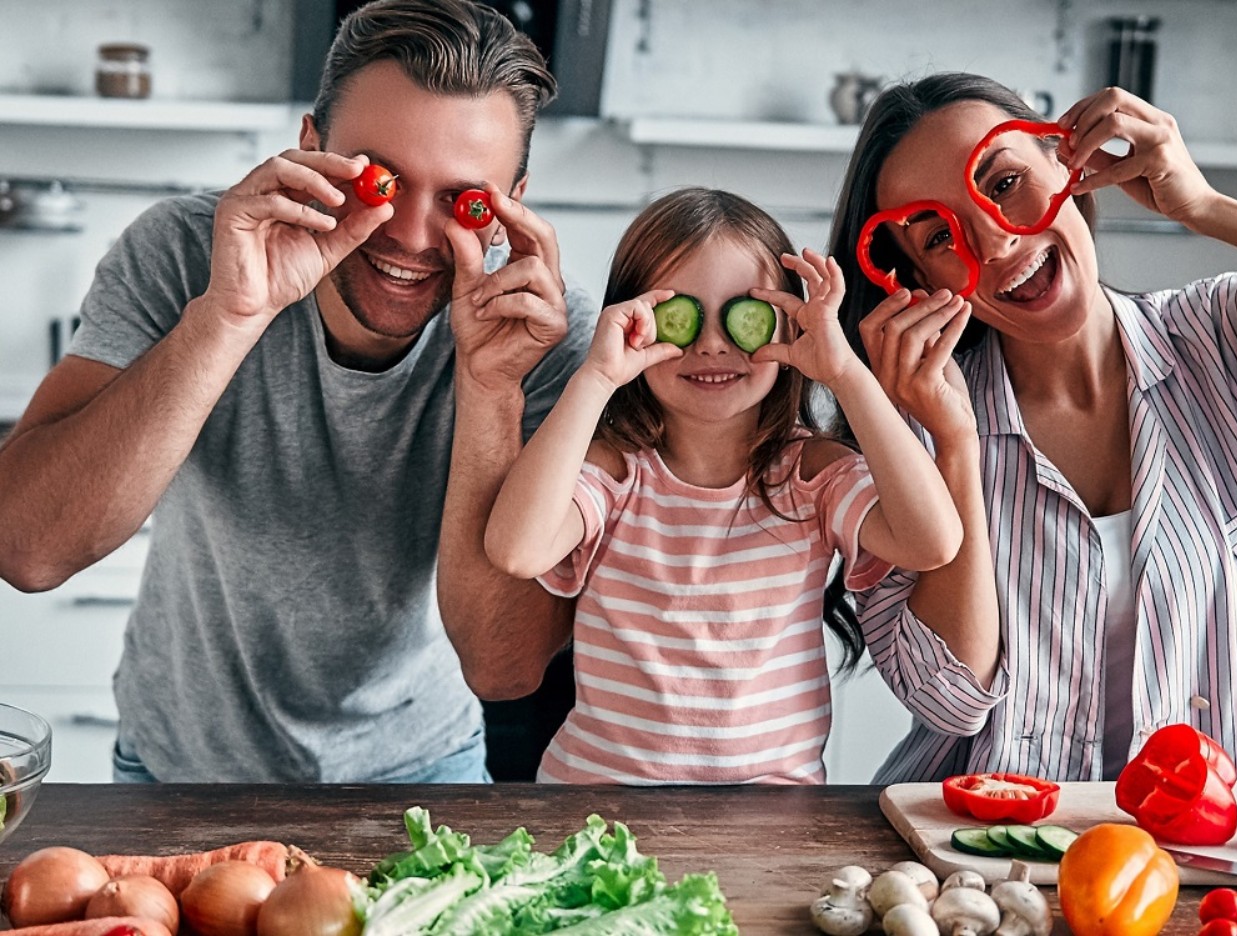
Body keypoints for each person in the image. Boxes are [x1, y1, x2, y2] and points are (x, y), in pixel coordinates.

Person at [0, 0, 596, 782]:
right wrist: (229, 315)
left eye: (463, 201)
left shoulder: (539, 329)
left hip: (420, 773)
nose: (412, 238)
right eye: (379, 180)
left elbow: (504, 667)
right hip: (177, 770)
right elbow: (28, 551)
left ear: (513, 199)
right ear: (311, 148)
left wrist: (491, 387)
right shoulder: (184, 253)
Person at [827, 73, 1237, 784]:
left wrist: (1205, 208)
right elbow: (948, 702)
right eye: (939, 235)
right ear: (916, 279)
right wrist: (956, 444)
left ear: (1066, 164)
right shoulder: (905, 437)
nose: (992, 239)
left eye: (1005, 181)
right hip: (985, 861)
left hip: (1222, 856)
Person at [484, 187, 963, 783]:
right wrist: (597, 375)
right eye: (679, 317)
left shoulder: (809, 475)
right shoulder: (615, 472)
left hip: (767, 822)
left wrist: (844, 371)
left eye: (743, 316)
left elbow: (933, 542)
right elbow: (515, 549)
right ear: (631, 321)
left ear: (788, 325)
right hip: (597, 809)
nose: (712, 343)